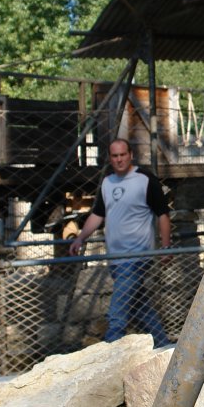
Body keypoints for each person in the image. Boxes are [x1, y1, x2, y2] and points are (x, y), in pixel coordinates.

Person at [68, 138, 172, 346]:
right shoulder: (108, 183)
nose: (119, 159)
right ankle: (164, 344)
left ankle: (110, 350)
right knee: (140, 307)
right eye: (115, 156)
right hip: (115, 258)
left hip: (137, 255)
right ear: (110, 158)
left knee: (118, 313)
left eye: (123, 155)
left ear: (130, 155)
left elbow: (162, 213)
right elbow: (98, 214)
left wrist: (166, 246)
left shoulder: (145, 179)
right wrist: (80, 237)